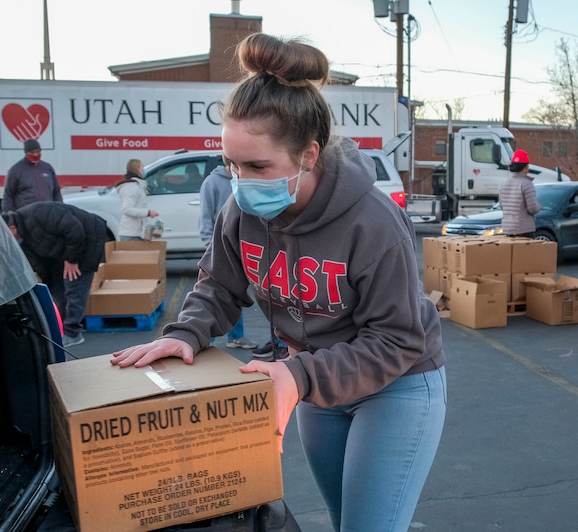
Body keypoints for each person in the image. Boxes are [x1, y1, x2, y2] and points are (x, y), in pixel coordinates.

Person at [110, 33, 447, 531]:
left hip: (397, 384)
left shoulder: (372, 222)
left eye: (256, 165)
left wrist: (298, 376)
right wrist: (185, 334)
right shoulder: (239, 209)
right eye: (230, 163)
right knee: (342, 520)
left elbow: (397, 338)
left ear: (309, 155)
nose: (239, 179)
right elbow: (218, 287)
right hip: (309, 381)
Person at [3, 201, 107, 347]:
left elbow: (74, 229)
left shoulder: (37, 213)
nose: (7, 241)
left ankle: (73, 332)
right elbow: (40, 265)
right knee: (57, 288)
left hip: (88, 239)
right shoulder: (24, 240)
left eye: (7, 235)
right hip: (64, 252)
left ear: (12, 228)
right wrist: (49, 285)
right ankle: (61, 327)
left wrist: (72, 260)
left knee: (75, 285)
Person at [199, 158, 258, 351]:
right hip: (221, 245)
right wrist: (211, 245)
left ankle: (236, 337)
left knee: (239, 294)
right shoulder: (212, 182)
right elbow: (206, 216)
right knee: (219, 292)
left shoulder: (247, 180)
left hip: (247, 245)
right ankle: (206, 342)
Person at [2, 138, 62, 212]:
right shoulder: (15, 170)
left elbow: (56, 192)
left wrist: (60, 210)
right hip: (27, 216)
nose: (35, 154)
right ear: (26, 153)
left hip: (48, 215)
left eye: (38, 152)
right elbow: (8, 195)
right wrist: (10, 218)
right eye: (32, 152)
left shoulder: (47, 168)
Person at [499, 149, 542, 238]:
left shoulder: (504, 184)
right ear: (526, 167)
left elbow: (502, 206)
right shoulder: (527, 184)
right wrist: (540, 206)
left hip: (507, 229)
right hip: (524, 229)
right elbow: (532, 208)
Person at [115, 158, 159, 240]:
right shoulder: (133, 187)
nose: (143, 169)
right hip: (131, 234)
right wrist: (148, 212)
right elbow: (127, 209)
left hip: (133, 233)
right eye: (142, 167)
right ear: (137, 169)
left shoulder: (135, 186)